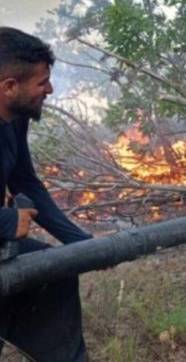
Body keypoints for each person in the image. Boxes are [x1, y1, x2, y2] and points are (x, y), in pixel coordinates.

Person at [0, 27, 92, 362]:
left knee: (55, 275)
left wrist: (82, 244)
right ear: (10, 87)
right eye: (42, 83)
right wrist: (6, 220)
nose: (50, 90)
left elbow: (26, 182)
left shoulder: (13, 118)